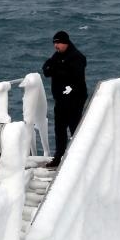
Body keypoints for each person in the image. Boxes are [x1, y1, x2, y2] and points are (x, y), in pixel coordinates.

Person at [41, 30, 88, 168]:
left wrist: (57, 70)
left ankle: (79, 156)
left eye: (59, 43)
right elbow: (47, 70)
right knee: (59, 128)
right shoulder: (57, 56)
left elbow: (75, 77)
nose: (56, 46)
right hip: (60, 100)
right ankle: (59, 156)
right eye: (55, 43)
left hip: (74, 99)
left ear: (66, 43)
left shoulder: (76, 57)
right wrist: (51, 68)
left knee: (74, 127)